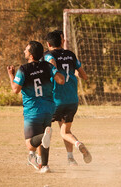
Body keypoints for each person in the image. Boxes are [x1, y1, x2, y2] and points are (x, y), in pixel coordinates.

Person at [7, 41, 65, 173]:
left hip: (33, 110)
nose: (24, 52)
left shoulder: (24, 69)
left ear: (31, 54)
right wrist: (55, 70)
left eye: (26, 50)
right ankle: (45, 166)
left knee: (30, 143)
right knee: (45, 139)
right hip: (49, 108)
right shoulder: (48, 66)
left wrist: (11, 75)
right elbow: (61, 80)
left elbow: (15, 89)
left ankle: (36, 155)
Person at [44, 31, 92, 166]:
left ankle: (41, 162)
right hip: (72, 99)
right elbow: (84, 75)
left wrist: (54, 71)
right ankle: (72, 156)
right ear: (62, 41)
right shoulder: (71, 55)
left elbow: (51, 63)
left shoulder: (48, 55)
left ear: (48, 44)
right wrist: (72, 73)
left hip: (56, 100)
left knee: (43, 127)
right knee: (65, 130)